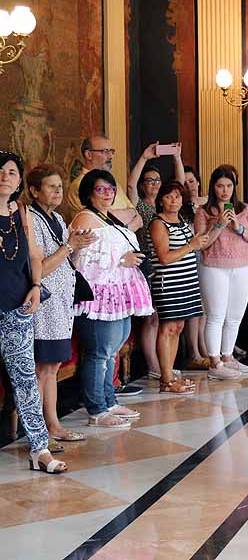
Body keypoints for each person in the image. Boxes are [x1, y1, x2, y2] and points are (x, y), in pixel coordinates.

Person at [70, 169, 154, 428]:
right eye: (101, 189)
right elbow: (80, 261)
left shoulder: (108, 218)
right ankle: (96, 409)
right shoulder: (85, 218)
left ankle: (109, 400)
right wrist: (121, 260)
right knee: (99, 353)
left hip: (118, 294)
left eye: (110, 189)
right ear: (89, 193)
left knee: (111, 352)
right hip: (98, 298)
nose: (108, 194)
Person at [0, 152, 66, 473]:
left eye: (11, 172)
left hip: (18, 308)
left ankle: (39, 449)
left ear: (19, 181)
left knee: (26, 379)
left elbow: (35, 255)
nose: (4, 177)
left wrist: (37, 287)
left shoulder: (23, 214)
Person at [27, 165, 96, 444]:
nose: (57, 191)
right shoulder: (31, 219)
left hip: (61, 305)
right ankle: (40, 430)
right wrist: (69, 246)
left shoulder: (56, 217)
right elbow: (40, 269)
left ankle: (53, 424)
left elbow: (65, 260)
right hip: (44, 306)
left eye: (59, 186)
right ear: (33, 190)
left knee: (53, 367)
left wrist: (77, 246)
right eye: (50, 186)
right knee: (43, 368)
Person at [194, 166, 248, 380]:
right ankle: (214, 362)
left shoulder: (244, 209)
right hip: (214, 266)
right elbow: (202, 243)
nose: (224, 190)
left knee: (235, 316)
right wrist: (218, 224)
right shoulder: (203, 211)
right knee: (216, 315)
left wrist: (239, 227)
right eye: (220, 186)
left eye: (229, 186)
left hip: (241, 265)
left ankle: (227, 357)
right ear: (213, 187)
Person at [127, 144, 185, 381]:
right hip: (146, 264)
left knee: (165, 318)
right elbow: (130, 184)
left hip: (170, 266)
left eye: (157, 180)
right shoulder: (138, 204)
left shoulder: (168, 204)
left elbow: (179, 185)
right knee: (152, 317)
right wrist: (143, 156)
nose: (154, 184)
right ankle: (153, 365)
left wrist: (177, 157)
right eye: (149, 180)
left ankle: (164, 365)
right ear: (143, 184)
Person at [148, 180, 209, 394]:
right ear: (160, 200)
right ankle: (165, 378)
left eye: (178, 196)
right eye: (169, 196)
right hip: (169, 282)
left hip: (187, 281)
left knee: (179, 328)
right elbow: (164, 257)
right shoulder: (158, 223)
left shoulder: (182, 220)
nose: (174, 200)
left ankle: (170, 374)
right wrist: (191, 245)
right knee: (168, 328)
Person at [63, 135, 141, 231]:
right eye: (105, 151)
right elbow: (103, 220)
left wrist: (126, 221)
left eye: (112, 151)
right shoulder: (80, 184)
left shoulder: (112, 182)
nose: (111, 156)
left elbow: (137, 216)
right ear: (88, 155)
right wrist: (127, 229)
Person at [181, 165, 209, 369]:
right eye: (185, 181)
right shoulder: (181, 206)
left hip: (207, 255)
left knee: (205, 307)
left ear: (198, 182)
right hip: (188, 256)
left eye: (192, 181)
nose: (189, 185)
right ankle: (194, 352)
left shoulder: (207, 203)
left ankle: (205, 347)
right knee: (194, 307)